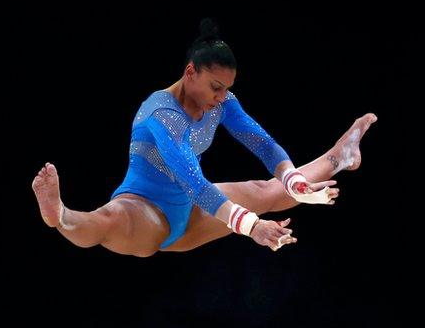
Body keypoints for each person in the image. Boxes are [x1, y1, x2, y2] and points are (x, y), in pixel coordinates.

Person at [32, 19, 377, 257]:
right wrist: (251, 226)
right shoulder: (161, 114)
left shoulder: (220, 102)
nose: (222, 96)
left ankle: (339, 156)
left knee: (263, 190)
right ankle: (61, 215)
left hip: (194, 211)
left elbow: (262, 143)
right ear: (190, 72)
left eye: (227, 89)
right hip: (145, 210)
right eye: (216, 87)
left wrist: (294, 182)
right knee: (107, 221)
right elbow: (193, 180)